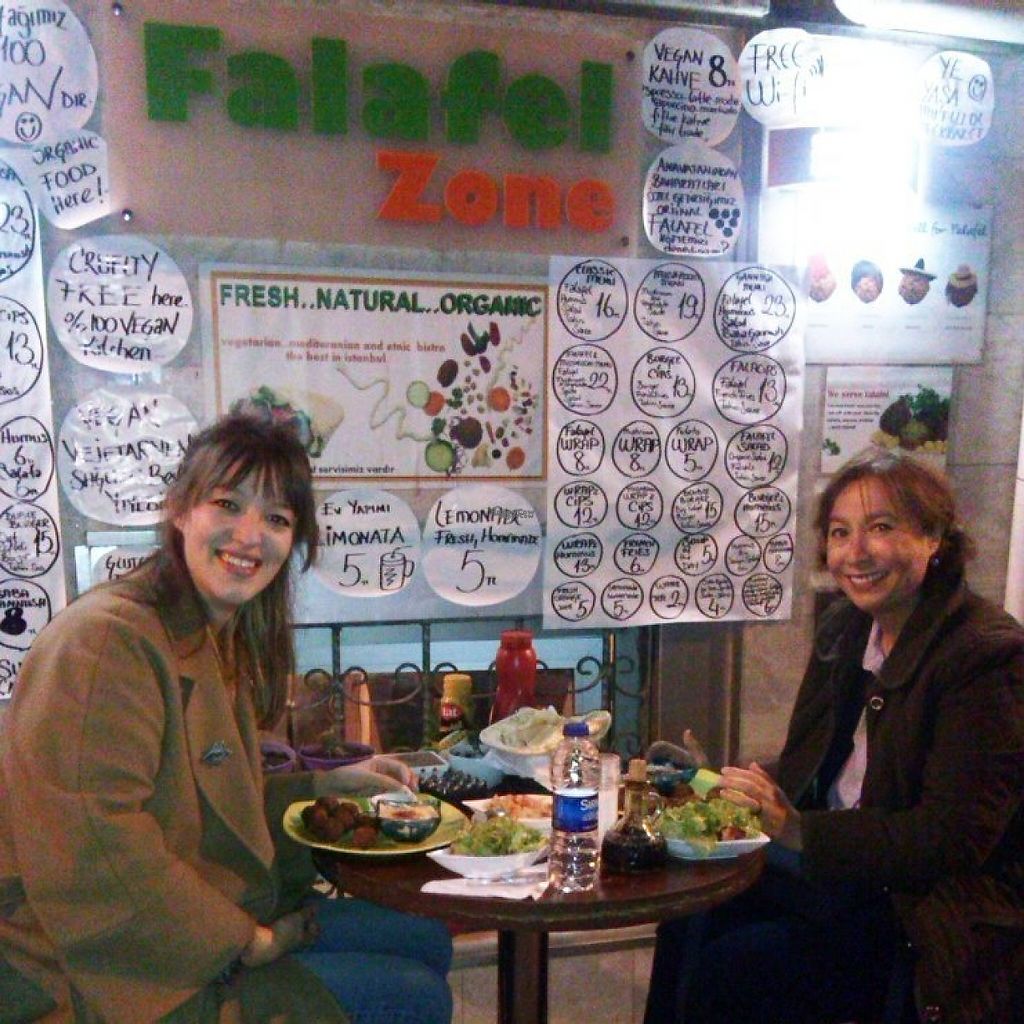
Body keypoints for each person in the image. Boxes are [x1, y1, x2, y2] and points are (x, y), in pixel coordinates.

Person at [0, 413, 453, 1024]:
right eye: (228, 504)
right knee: (412, 993)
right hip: (99, 973)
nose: (249, 536)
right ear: (180, 509)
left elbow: (208, 803)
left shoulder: (212, 634)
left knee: (427, 939)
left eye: (277, 519)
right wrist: (246, 940)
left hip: (186, 924)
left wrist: (329, 784)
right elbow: (96, 852)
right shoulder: (106, 643)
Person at [644, 449, 1024, 1024]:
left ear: (934, 538)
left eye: (882, 527)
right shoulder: (848, 626)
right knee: (687, 915)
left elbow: (950, 838)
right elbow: (814, 765)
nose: (855, 552)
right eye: (841, 532)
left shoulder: (986, 655)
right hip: (839, 874)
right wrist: (727, 785)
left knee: (733, 966)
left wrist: (799, 830)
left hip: (917, 909)